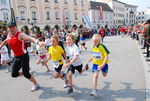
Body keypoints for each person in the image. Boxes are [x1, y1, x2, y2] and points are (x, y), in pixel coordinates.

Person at [0, 22, 40, 92]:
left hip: (24, 56)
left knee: (26, 74)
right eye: (10, 27)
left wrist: (37, 42)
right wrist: (0, 46)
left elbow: (29, 38)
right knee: (14, 74)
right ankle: (27, 73)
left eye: (13, 27)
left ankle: (36, 84)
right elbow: (5, 41)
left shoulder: (20, 34)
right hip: (16, 57)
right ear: (8, 29)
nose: (12, 29)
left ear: (16, 27)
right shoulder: (8, 35)